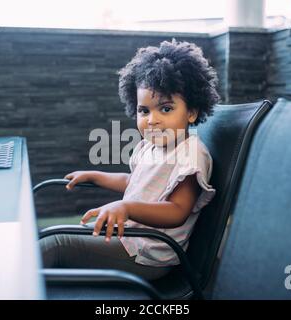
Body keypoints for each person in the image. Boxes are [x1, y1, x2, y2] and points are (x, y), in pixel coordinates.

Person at [40, 39, 220, 280]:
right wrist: (96, 176)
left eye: (165, 109)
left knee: (56, 244)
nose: (152, 120)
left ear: (191, 112)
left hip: (149, 254)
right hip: (128, 238)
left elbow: (177, 211)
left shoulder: (191, 153)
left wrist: (126, 207)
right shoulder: (150, 146)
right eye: (144, 110)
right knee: (56, 236)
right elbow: (135, 182)